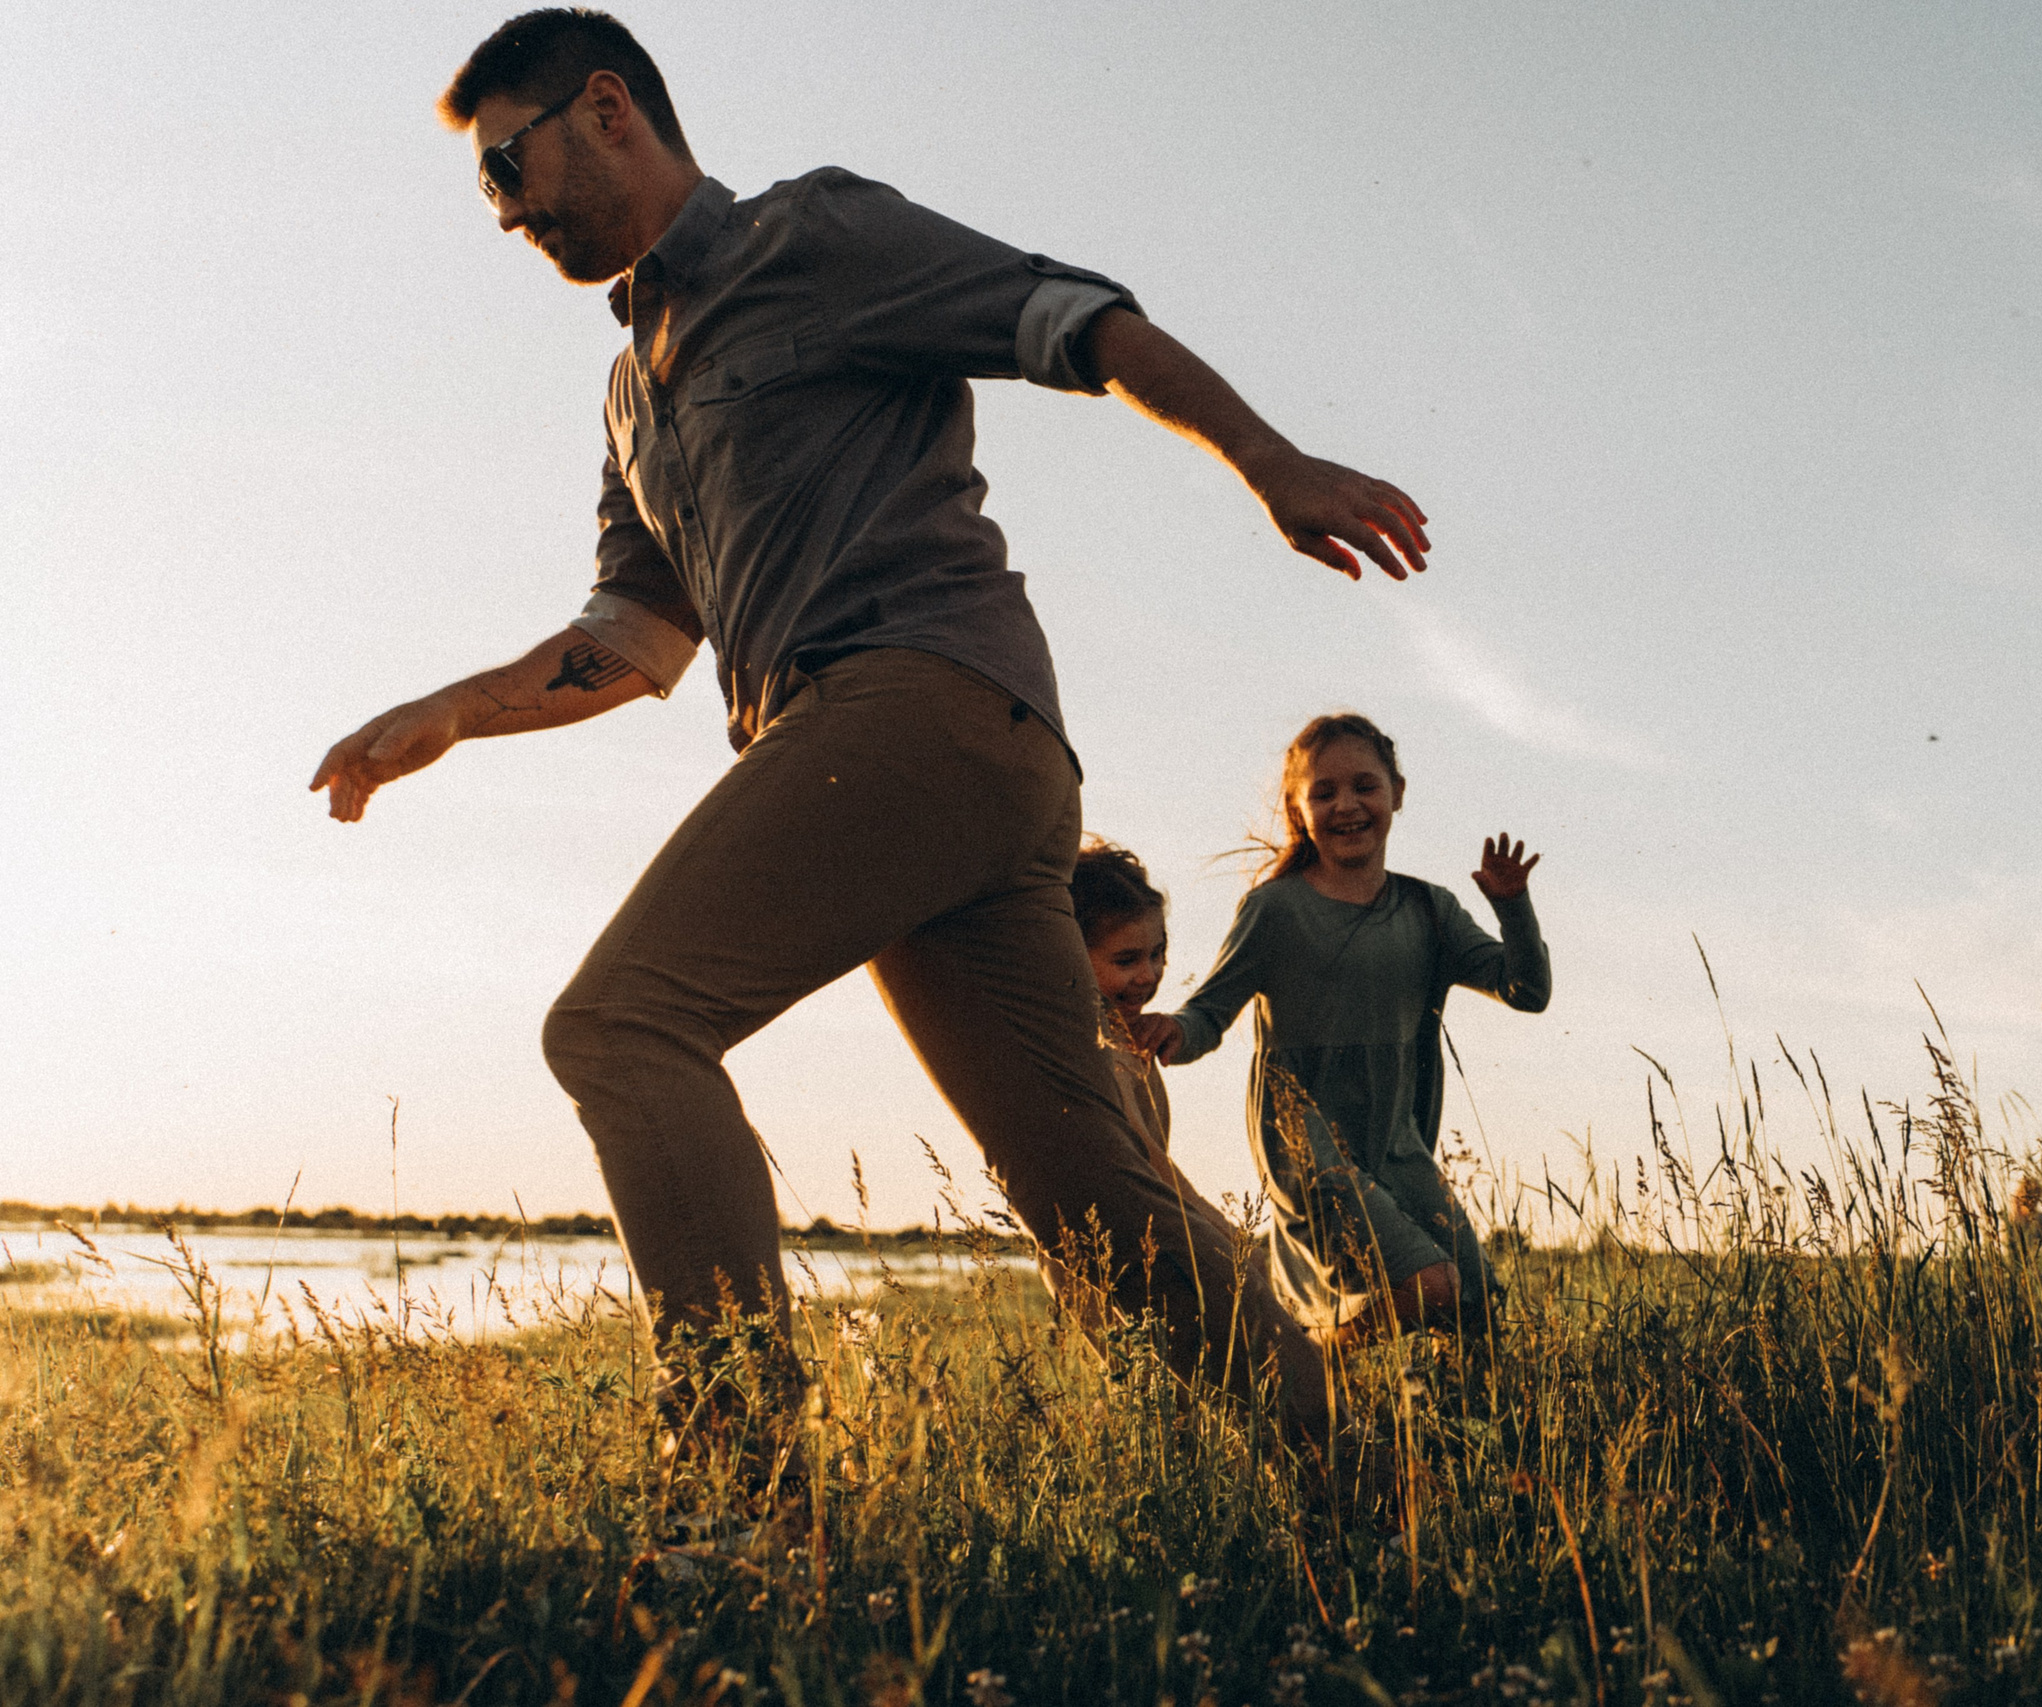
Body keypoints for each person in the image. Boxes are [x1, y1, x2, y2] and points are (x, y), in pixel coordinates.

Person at [308, 9, 1429, 1460]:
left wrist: (1268, 460)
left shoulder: (811, 235)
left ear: (605, 109)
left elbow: (1074, 318)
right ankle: (1375, 1480)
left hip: (919, 698)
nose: (506, 213)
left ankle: (739, 1478)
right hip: (914, 771)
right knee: (1086, 1190)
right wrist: (453, 712)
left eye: (507, 167)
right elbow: (638, 643)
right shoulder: (632, 390)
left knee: (623, 1024)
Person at [1132, 714, 1549, 1346]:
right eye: (1323, 793)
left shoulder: (1429, 909)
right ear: (1299, 811)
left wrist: (1512, 905)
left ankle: (1433, 1433)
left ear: (1397, 794)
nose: (1346, 805)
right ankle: (1314, 1364)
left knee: (1476, 1307)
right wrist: (1174, 1032)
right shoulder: (1275, 909)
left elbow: (1528, 992)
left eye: (1364, 786)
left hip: (1397, 1143)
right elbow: (1209, 1013)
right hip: (1307, 1141)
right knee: (1429, 1283)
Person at [1040, 840, 1293, 1350]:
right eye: (1127, 959)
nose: (1149, 975)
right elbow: (1147, 1158)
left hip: (1140, 1230)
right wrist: (1219, 1227)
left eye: (1158, 954)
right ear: (1070, 952)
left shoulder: (1123, 1036)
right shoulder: (1095, 1050)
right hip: (1101, 1249)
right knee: (1161, 1376)